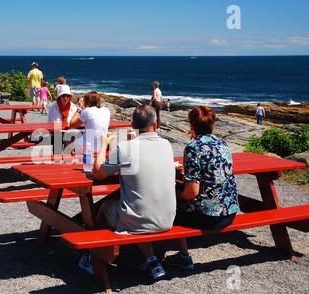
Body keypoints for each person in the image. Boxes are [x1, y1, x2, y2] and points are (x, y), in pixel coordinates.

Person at [82, 105, 177, 280]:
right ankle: (152, 259)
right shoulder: (166, 145)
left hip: (139, 222)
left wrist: (104, 144)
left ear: (132, 124)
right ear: (155, 125)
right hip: (167, 219)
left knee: (106, 207)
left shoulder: (126, 148)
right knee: (137, 204)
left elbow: (98, 172)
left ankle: (91, 256)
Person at [166, 106, 241, 271]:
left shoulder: (194, 147)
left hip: (210, 218)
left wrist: (174, 199)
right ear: (212, 125)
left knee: (169, 206)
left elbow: (192, 192)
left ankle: (184, 257)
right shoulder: (223, 143)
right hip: (230, 212)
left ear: (191, 125)